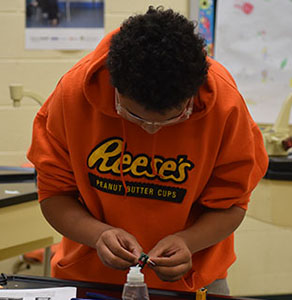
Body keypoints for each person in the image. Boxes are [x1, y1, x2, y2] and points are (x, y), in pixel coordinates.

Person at [27, 6, 268, 295]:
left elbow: (232, 204)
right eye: (135, 116)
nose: (150, 130)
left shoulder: (225, 106)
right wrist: (98, 235)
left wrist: (188, 241)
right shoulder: (73, 95)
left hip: (194, 282)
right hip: (91, 279)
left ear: (193, 93)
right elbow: (54, 194)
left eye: (173, 119)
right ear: (114, 86)